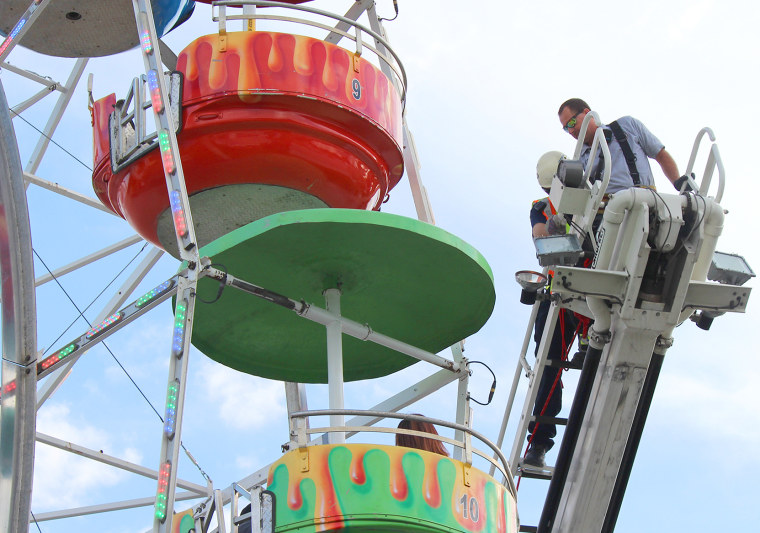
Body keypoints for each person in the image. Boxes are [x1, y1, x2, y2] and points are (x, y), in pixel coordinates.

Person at [523, 152, 582, 469]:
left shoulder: (598, 198)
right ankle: (540, 443)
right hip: (558, 291)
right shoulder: (541, 207)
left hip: (593, 291)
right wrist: (556, 227)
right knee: (548, 367)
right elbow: (540, 237)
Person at [557, 98, 692, 194]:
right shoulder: (579, 161)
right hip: (610, 214)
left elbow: (660, 154)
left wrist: (677, 182)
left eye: (572, 122)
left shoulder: (627, 126)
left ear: (587, 113)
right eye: (565, 128)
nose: (571, 131)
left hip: (646, 200)